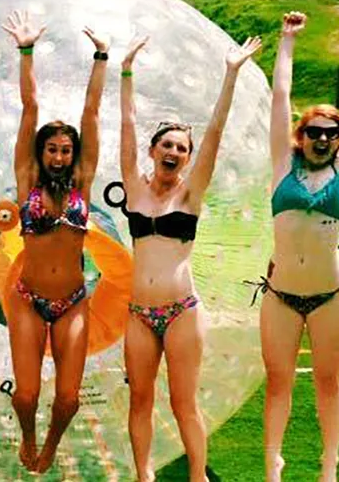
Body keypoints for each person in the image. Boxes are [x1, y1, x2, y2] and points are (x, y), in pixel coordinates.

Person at [119, 33, 261, 481]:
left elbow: (215, 133)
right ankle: (145, 476)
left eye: (182, 148)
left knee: (184, 403)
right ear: (153, 150)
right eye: (168, 145)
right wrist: (124, 70)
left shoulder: (191, 192)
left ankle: (197, 476)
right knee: (139, 400)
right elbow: (125, 125)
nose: (175, 152)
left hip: (182, 311)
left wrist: (231, 73)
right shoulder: (135, 187)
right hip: (139, 312)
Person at [256, 13, 339, 482]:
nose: (324, 138)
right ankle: (273, 464)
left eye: (332, 132)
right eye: (315, 131)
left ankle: (328, 467)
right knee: (279, 384)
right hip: (280, 297)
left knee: (330, 383)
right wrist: (286, 39)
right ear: (301, 135)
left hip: (332, 296)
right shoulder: (281, 162)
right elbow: (280, 97)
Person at [0, 9, 108, 473]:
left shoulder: (83, 181)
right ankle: (27, 433)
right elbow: (30, 109)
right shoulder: (27, 182)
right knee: (26, 394)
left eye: (66, 149)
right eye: (52, 149)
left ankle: (50, 444)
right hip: (27, 299)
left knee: (67, 398)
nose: (60, 156)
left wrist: (101, 56)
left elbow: (92, 113)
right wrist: (26, 52)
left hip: (73, 302)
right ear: (41, 152)